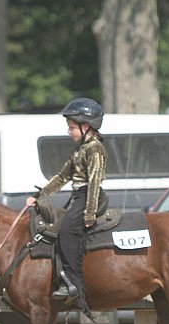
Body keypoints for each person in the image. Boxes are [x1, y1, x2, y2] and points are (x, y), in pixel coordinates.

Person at [26, 97, 107, 310]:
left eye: (72, 127)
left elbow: (94, 182)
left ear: (86, 126)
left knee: (67, 232)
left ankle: (72, 283)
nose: (69, 131)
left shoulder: (95, 149)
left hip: (90, 196)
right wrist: (40, 196)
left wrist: (89, 214)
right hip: (78, 196)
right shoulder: (79, 149)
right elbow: (62, 176)